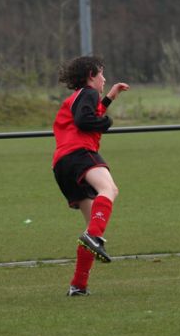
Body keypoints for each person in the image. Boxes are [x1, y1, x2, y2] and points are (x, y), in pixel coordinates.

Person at [52, 55, 129, 296]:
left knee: (92, 224)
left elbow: (87, 113)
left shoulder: (79, 97)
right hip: (79, 153)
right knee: (109, 190)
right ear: (90, 76)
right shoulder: (88, 93)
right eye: (101, 74)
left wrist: (110, 97)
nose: (104, 79)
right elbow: (84, 120)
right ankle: (93, 238)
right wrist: (107, 122)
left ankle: (78, 285)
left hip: (62, 165)